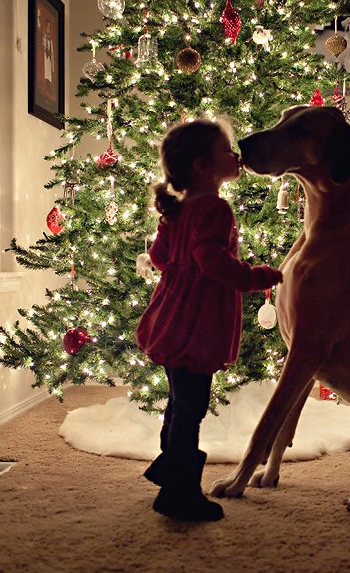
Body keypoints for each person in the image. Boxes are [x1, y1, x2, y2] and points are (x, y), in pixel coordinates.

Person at [135, 118, 283, 522]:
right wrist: (255, 276)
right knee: (191, 406)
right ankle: (179, 491)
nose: (235, 156)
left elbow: (162, 258)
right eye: (226, 150)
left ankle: (169, 466)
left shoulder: (178, 210)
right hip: (195, 324)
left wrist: (179, 255)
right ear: (203, 166)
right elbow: (213, 263)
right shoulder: (215, 208)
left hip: (169, 316)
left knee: (179, 400)